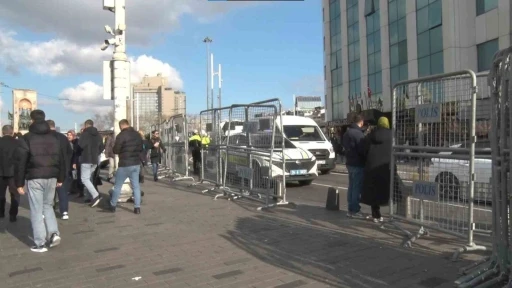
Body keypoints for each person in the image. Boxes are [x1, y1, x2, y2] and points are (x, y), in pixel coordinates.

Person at [15, 110, 66, 252]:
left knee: (36, 210)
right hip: (52, 176)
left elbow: (21, 162)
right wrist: (61, 178)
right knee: (48, 206)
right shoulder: (55, 137)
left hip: (35, 177)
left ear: (32, 120)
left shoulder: (26, 138)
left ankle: (40, 243)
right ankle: (54, 233)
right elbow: (61, 159)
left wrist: (19, 183)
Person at [361, 117, 392, 223]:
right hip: (386, 166)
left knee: (374, 191)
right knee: (389, 189)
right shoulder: (392, 135)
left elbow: (363, 149)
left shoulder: (371, 135)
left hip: (372, 166)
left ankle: (376, 214)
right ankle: (392, 215)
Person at [109, 119, 143, 214]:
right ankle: (137, 207)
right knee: (136, 186)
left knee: (117, 186)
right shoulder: (137, 135)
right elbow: (141, 148)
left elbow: (116, 150)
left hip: (124, 164)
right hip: (136, 164)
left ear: (121, 126)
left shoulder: (121, 136)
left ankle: (113, 205)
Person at [47, 120, 73, 220]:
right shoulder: (63, 137)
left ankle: (49, 210)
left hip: (50, 168)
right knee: (63, 191)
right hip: (64, 168)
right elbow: (70, 152)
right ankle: (64, 211)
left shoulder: (45, 138)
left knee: (49, 191)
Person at [342, 114, 366, 218]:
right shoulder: (358, 134)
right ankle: (355, 210)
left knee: (351, 186)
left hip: (349, 162)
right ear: (361, 122)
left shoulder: (347, 133)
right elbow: (362, 149)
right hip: (358, 163)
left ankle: (350, 209)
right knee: (356, 187)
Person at [78, 119, 104, 207]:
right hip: (94, 160)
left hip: (86, 159)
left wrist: (79, 154)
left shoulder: (84, 134)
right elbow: (102, 147)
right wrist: (97, 154)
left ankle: (95, 195)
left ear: (86, 125)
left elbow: (80, 146)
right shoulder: (98, 135)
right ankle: (91, 196)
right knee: (89, 178)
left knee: (84, 179)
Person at [0, 125, 21, 222]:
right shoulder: (18, 143)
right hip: (13, 173)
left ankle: (1, 212)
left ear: (2, 132)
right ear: (12, 132)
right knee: (14, 195)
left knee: (0, 194)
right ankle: (13, 215)